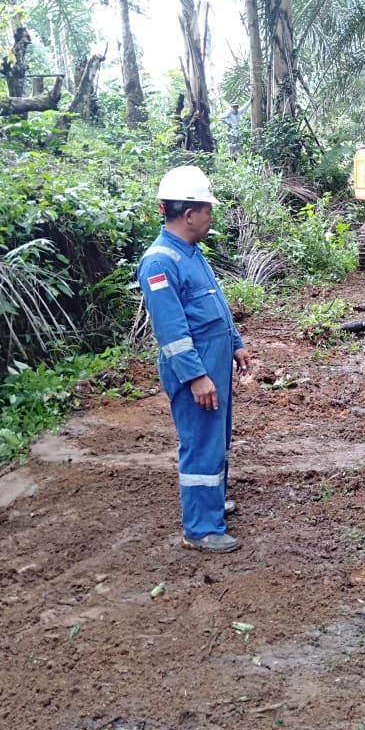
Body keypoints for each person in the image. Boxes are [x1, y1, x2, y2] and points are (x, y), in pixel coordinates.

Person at [138, 165, 251, 553]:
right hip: (196, 370)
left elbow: (213, 305)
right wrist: (196, 377)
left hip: (214, 363)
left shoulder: (190, 253)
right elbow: (171, 331)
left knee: (215, 439)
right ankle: (200, 528)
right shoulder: (160, 262)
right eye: (208, 210)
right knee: (200, 442)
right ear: (189, 214)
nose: (211, 216)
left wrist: (235, 343)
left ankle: (211, 504)